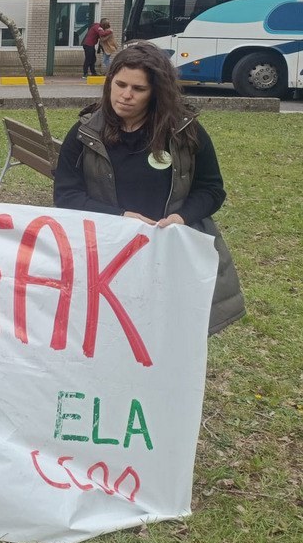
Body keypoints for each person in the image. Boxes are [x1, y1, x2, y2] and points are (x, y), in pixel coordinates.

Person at [53, 42, 245, 335]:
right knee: (112, 332)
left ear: (156, 92)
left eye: (138, 89)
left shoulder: (184, 131)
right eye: (120, 84)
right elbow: (66, 196)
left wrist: (182, 218)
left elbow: (211, 189)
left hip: (170, 255)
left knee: (168, 335)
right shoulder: (85, 132)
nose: (126, 95)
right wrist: (120, 216)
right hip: (109, 257)